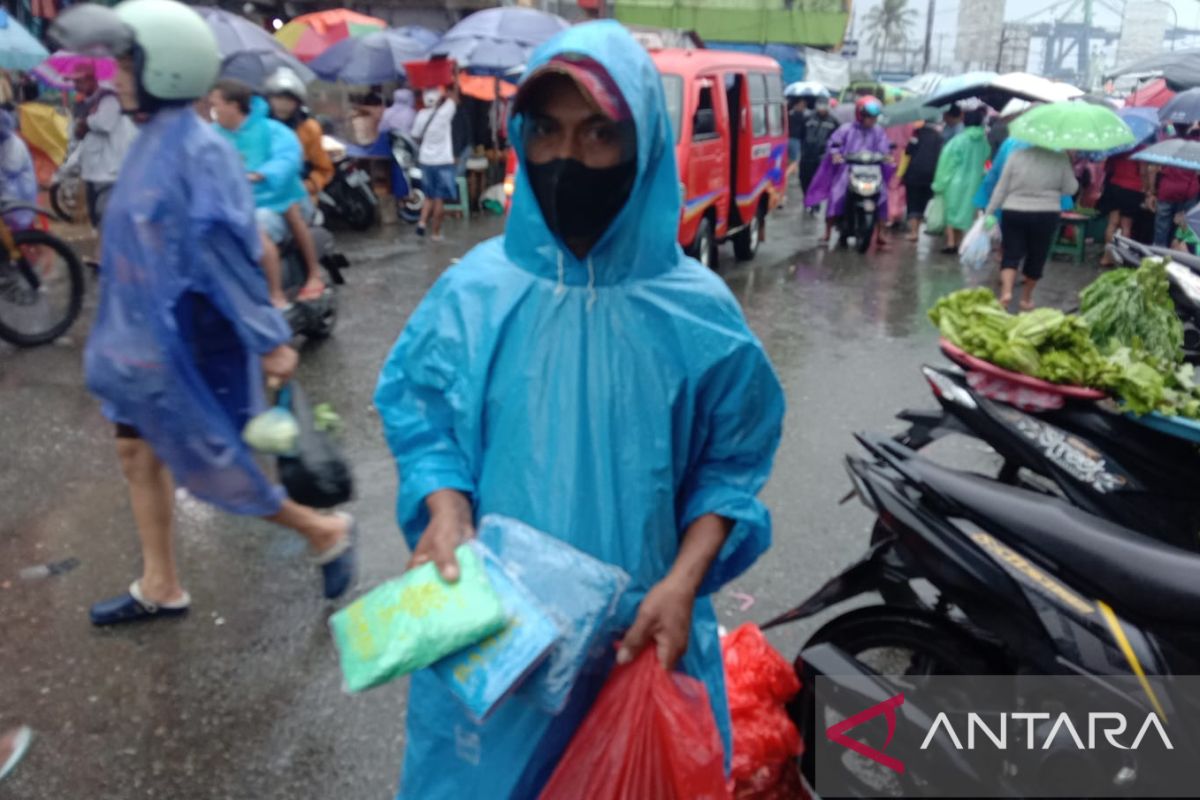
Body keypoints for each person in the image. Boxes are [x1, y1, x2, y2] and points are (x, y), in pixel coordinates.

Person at [375, 20, 784, 798]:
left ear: (645, 146)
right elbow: (423, 417)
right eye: (549, 132)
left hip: (639, 645)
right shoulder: (474, 293)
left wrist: (683, 582)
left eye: (601, 133)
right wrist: (445, 507)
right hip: (497, 645)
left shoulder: (698, 318)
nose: (569, 160)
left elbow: (730, 473)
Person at [48, 0, 356, 626]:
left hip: (180, 346)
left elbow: (224, 254)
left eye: (130, 64)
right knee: (138, 455)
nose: (119, 76)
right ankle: (161, 583)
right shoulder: (156, 140)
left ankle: (323, 530)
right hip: (143, 343)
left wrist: (269, 338)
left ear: (168, 69)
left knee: (213, 461)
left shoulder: (198, 152)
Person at [210, 78, 326, 307]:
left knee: (260, 225)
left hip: (278, 196)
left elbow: (288, 157)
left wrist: (261, 174)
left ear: (234, 105)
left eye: (217, 104)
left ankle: (284, 290)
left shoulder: (272, 129)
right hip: (235, 201)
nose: (213, 111)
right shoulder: (213, 135)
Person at [984, 145, 1079, 310]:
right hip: (1046, 213)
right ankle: (1026, 298)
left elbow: (1002, 186)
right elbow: (1070, 189)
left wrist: (990, 211)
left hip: (1014, 210)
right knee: (1037, 255)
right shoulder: (1060, 158)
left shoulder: (1016, 155)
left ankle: (1006, 292)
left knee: (1011, 252)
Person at [804, 95, 893, 246]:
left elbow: (884, 148)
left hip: (872, 170)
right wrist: (836, 154)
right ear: (861, 115)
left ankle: (881, 232)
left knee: (883, 196)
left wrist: (887, 157)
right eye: (869, 117)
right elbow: (834, 144)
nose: (872, 120)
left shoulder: (878, 131)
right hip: (848, 170)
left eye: (874, 118)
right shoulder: (846, 129)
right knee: (837, 194)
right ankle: (827, 232)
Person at [58, 61, 137, 229]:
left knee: (106, 223)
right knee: (97, 220)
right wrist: (82, 125)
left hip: (108, 173)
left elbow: (104, 123)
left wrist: (86, 122)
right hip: (93, 172)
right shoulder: (88, 102)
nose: (76, 86)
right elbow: (76, 132)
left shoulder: (109, 99)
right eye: (75, 82)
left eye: (80, 81)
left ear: (92, 80)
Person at [264, 68, 333, 205]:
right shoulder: (259, 126)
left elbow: (323, 169)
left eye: (289, 99)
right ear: (269, 100)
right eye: (278, 98)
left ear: (297, 103)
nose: (283, 104)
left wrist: (308, 185)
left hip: (299, 195)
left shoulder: (309, 128)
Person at [932, 106, 990, 253]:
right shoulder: (983, 142)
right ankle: (960, 242)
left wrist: (939, 184)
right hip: (975, 182)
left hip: (955, 182)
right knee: (966, 212)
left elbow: (947, 164)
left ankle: (951, 243)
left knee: (951, 211)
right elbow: (986, 159)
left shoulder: (958, 141)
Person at [412, 84, 459, 241]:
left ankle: (422, 223)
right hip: (443, 162)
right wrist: (454, 76)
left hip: (426, 160)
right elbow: (455, 96)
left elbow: (415, 136)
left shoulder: (421, 115)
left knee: (428, 197)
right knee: (439, 198)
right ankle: (436, 233)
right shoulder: (445, 112)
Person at [1097, 146, 1150, 266]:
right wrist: (1147, 188)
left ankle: (1107, 257)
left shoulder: (1119, 146)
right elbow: (1142, 171)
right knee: (1126, 226)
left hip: (1115, 185)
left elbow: (1109, 166)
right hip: (1132, 188)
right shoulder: (1140, 148)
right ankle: (1123, 257)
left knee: (1112, 223)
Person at [1147, 126, 1200, 247]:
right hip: (1188, 192)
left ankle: (1157, 256)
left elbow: (1153, 169)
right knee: (1183, 229)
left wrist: (1151, 191)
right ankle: (1178, 257)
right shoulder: (1196, 144)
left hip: (1166, 190)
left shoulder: (1168, 142)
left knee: (1161, 228)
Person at [901, 119, 941, 241]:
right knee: (923, 202)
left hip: (913, 173)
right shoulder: (938, 137)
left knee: (913, 203)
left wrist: (901, 174)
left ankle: (914, 232)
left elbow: (908, 152)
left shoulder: (916, 134)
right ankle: (917, 228)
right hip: (931, 175)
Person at [0, 109, 37, 231]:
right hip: (8, 194)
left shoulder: (14, 145)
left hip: (16, 197)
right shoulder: (4, 143)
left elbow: (8, 171)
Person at [798, 96, 837, 204]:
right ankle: (807, 196)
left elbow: (836, 140)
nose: (822, 109)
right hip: (807, 155)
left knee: (818, 180)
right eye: (820, 106)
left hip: (822, 156)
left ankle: (815, 201)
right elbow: (801, 134)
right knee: (804, 178)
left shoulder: (834, 122)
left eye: (824, 106)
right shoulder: (808, 118)